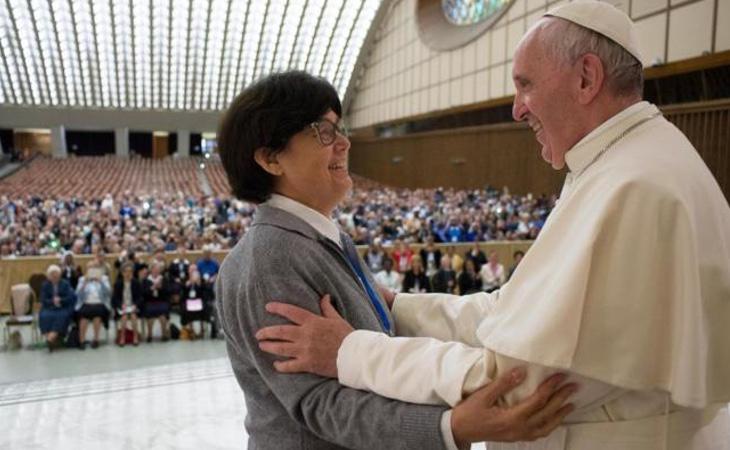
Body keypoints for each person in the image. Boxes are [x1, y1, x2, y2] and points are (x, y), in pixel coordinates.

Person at [256, 3, 730, 449]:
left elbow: (517, 386)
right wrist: (400, 308)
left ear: (586, 78)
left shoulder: (634, 186)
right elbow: (515, 316)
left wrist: (352, 352)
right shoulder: (625, 164)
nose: (517, 108)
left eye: (526, 84)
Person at [216, 71, 574, 450]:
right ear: (271, 158)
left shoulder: (321, 239)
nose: (343, 143)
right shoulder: (271, 258)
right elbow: (321, 404)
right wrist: (448, 427)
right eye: (323, 131)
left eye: (341, 129)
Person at [75, 262, 112, 349]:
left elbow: (108, 293)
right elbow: (77, 294)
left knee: (97, 314)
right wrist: (84, 283)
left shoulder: (104, 279)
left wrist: (101, 282)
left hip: (100, 303)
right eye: (90, 268)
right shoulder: (82, 279)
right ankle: (82, 340)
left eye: (94, 268)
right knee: (83, 316)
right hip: (86, 302)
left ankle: (96, 339)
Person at [39, 264, 76, 351]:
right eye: (52, 274)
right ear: (49, 276)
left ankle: (50, 339)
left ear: (59, 275)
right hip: (49, 307)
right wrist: (52, 301)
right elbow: (43, 299)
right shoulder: (45, 285)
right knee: (44, 316)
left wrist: (60, 300)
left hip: (63, 307)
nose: (54, 276)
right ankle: (52, 339)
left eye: (56, 274)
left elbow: (70, 297)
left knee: (62, 316)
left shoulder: (65, 284)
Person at [112, 262, 143, 346]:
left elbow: (140, 298)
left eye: (130, 271)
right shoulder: (118, 284)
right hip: (123, 306)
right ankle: (122, 337)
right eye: (126, 271)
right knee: (124, 317)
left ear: (132, 273)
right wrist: (121, 305)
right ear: (122, 273)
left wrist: (135, 305)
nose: (128, 274)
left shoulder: (136, 283)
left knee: (133, 316)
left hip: (133, 306)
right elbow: (115, 299)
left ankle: (135, 337)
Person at [141, 261, 170, 342]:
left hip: (161, 301)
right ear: (151, 269)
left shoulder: (163, 279)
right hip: (150, 302)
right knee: (150, 313)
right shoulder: (146, 280)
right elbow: (143, 293)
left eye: (158, 269)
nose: (156, 270)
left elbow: (168, 291)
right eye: (155, 269)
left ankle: (164, 334)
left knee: (163, 314)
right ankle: (149, 334)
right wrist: (152, 288)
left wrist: (161, 288)